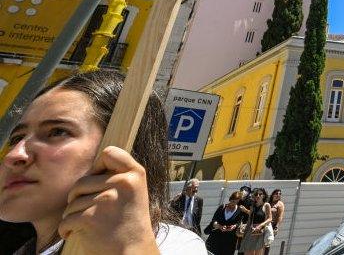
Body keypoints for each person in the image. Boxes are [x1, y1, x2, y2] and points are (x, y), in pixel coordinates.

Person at [0, 69, 207, 254]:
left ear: (123, 148)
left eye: (57, 132)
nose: (13, 155)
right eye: (17, 138)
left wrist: (131, 248)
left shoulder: (171, 245)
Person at [205, 190, 246, 255]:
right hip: (216, 238)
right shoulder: (222, 207)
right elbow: (214, 220)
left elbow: (238, 222)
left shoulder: (239, 211)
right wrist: (219, 226)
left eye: (236, 202)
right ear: (230, 199)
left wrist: (234, 226)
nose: (233, 204)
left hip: (229, 241)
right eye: (232, 201)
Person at [240, 187, 273, 255]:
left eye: (260, 194)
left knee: (258, 253)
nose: (258, 196)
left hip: (261, 232)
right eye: (256, 194)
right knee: (248, 252)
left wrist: (260, 226)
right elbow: (250, 220)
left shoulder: (266, 205)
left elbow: (270, 218)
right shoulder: (252, 206)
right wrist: (245, 234)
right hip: (251, 231)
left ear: (263, 195)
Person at [265, 189, 285, 255]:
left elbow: (280, 216)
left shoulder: (280, 204)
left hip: (272, 226)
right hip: (263, 224)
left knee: (267, 244)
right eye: (276, 193)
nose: (278, 195)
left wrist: (276, 227)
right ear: (273, 194)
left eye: (279, 194)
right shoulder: (268, 201)